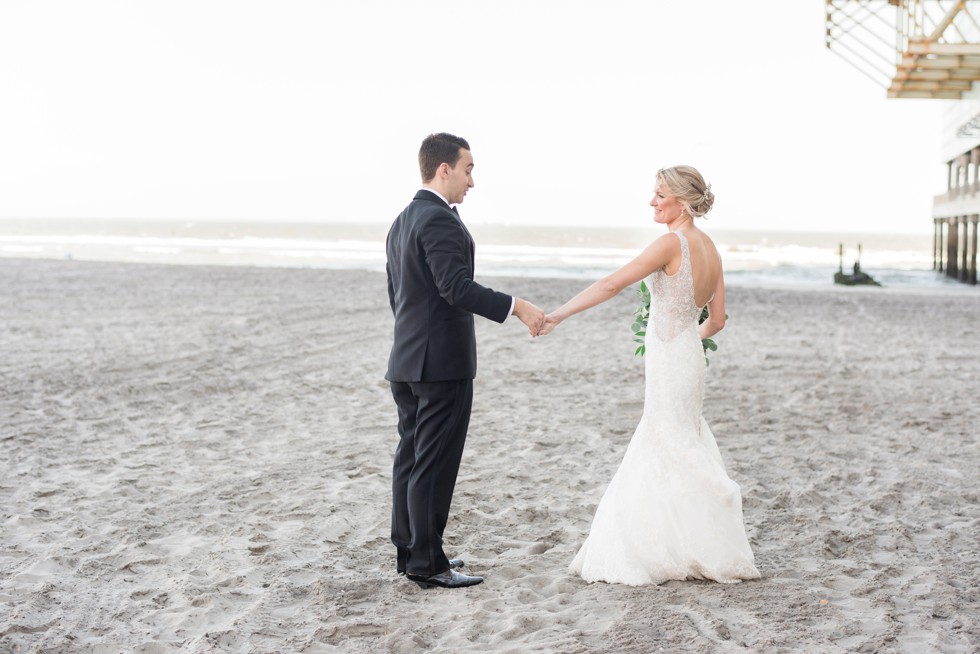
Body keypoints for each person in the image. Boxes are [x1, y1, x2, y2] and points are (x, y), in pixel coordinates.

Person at [538, 165, 761, 585]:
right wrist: (683, 340)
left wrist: (557, 316)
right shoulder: (711, 247)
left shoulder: (670, 243)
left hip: (669, 360)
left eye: (660, 195)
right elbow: (717, 321)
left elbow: (610, 284)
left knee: (668, 441)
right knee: (675, 440)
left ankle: (670, 545)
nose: (653, 201)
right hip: (688, 359)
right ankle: (690, 541)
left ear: (682, 200)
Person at [385, 132, 545, 590]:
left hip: (407, 359)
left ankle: (413, 551)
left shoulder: (402, 220)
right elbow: (455, 287)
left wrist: (411, 342)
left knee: (411, 458)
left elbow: (397, 293)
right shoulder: (437, 219)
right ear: (444, 170)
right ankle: (428, 564)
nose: (472, 180)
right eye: (468, 168)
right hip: (441, 365)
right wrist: (517, 305)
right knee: (432, 463)